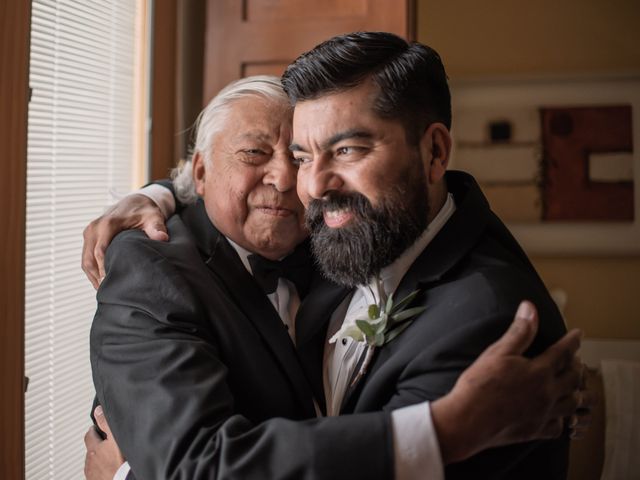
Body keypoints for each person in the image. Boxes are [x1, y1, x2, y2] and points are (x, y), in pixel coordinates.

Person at [84, 70, 587, 480]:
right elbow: (193, 464)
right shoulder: (146, 270)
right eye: (255, 153)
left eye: (298, 157)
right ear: (199, 173)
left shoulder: (328, 238)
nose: (288, 179)